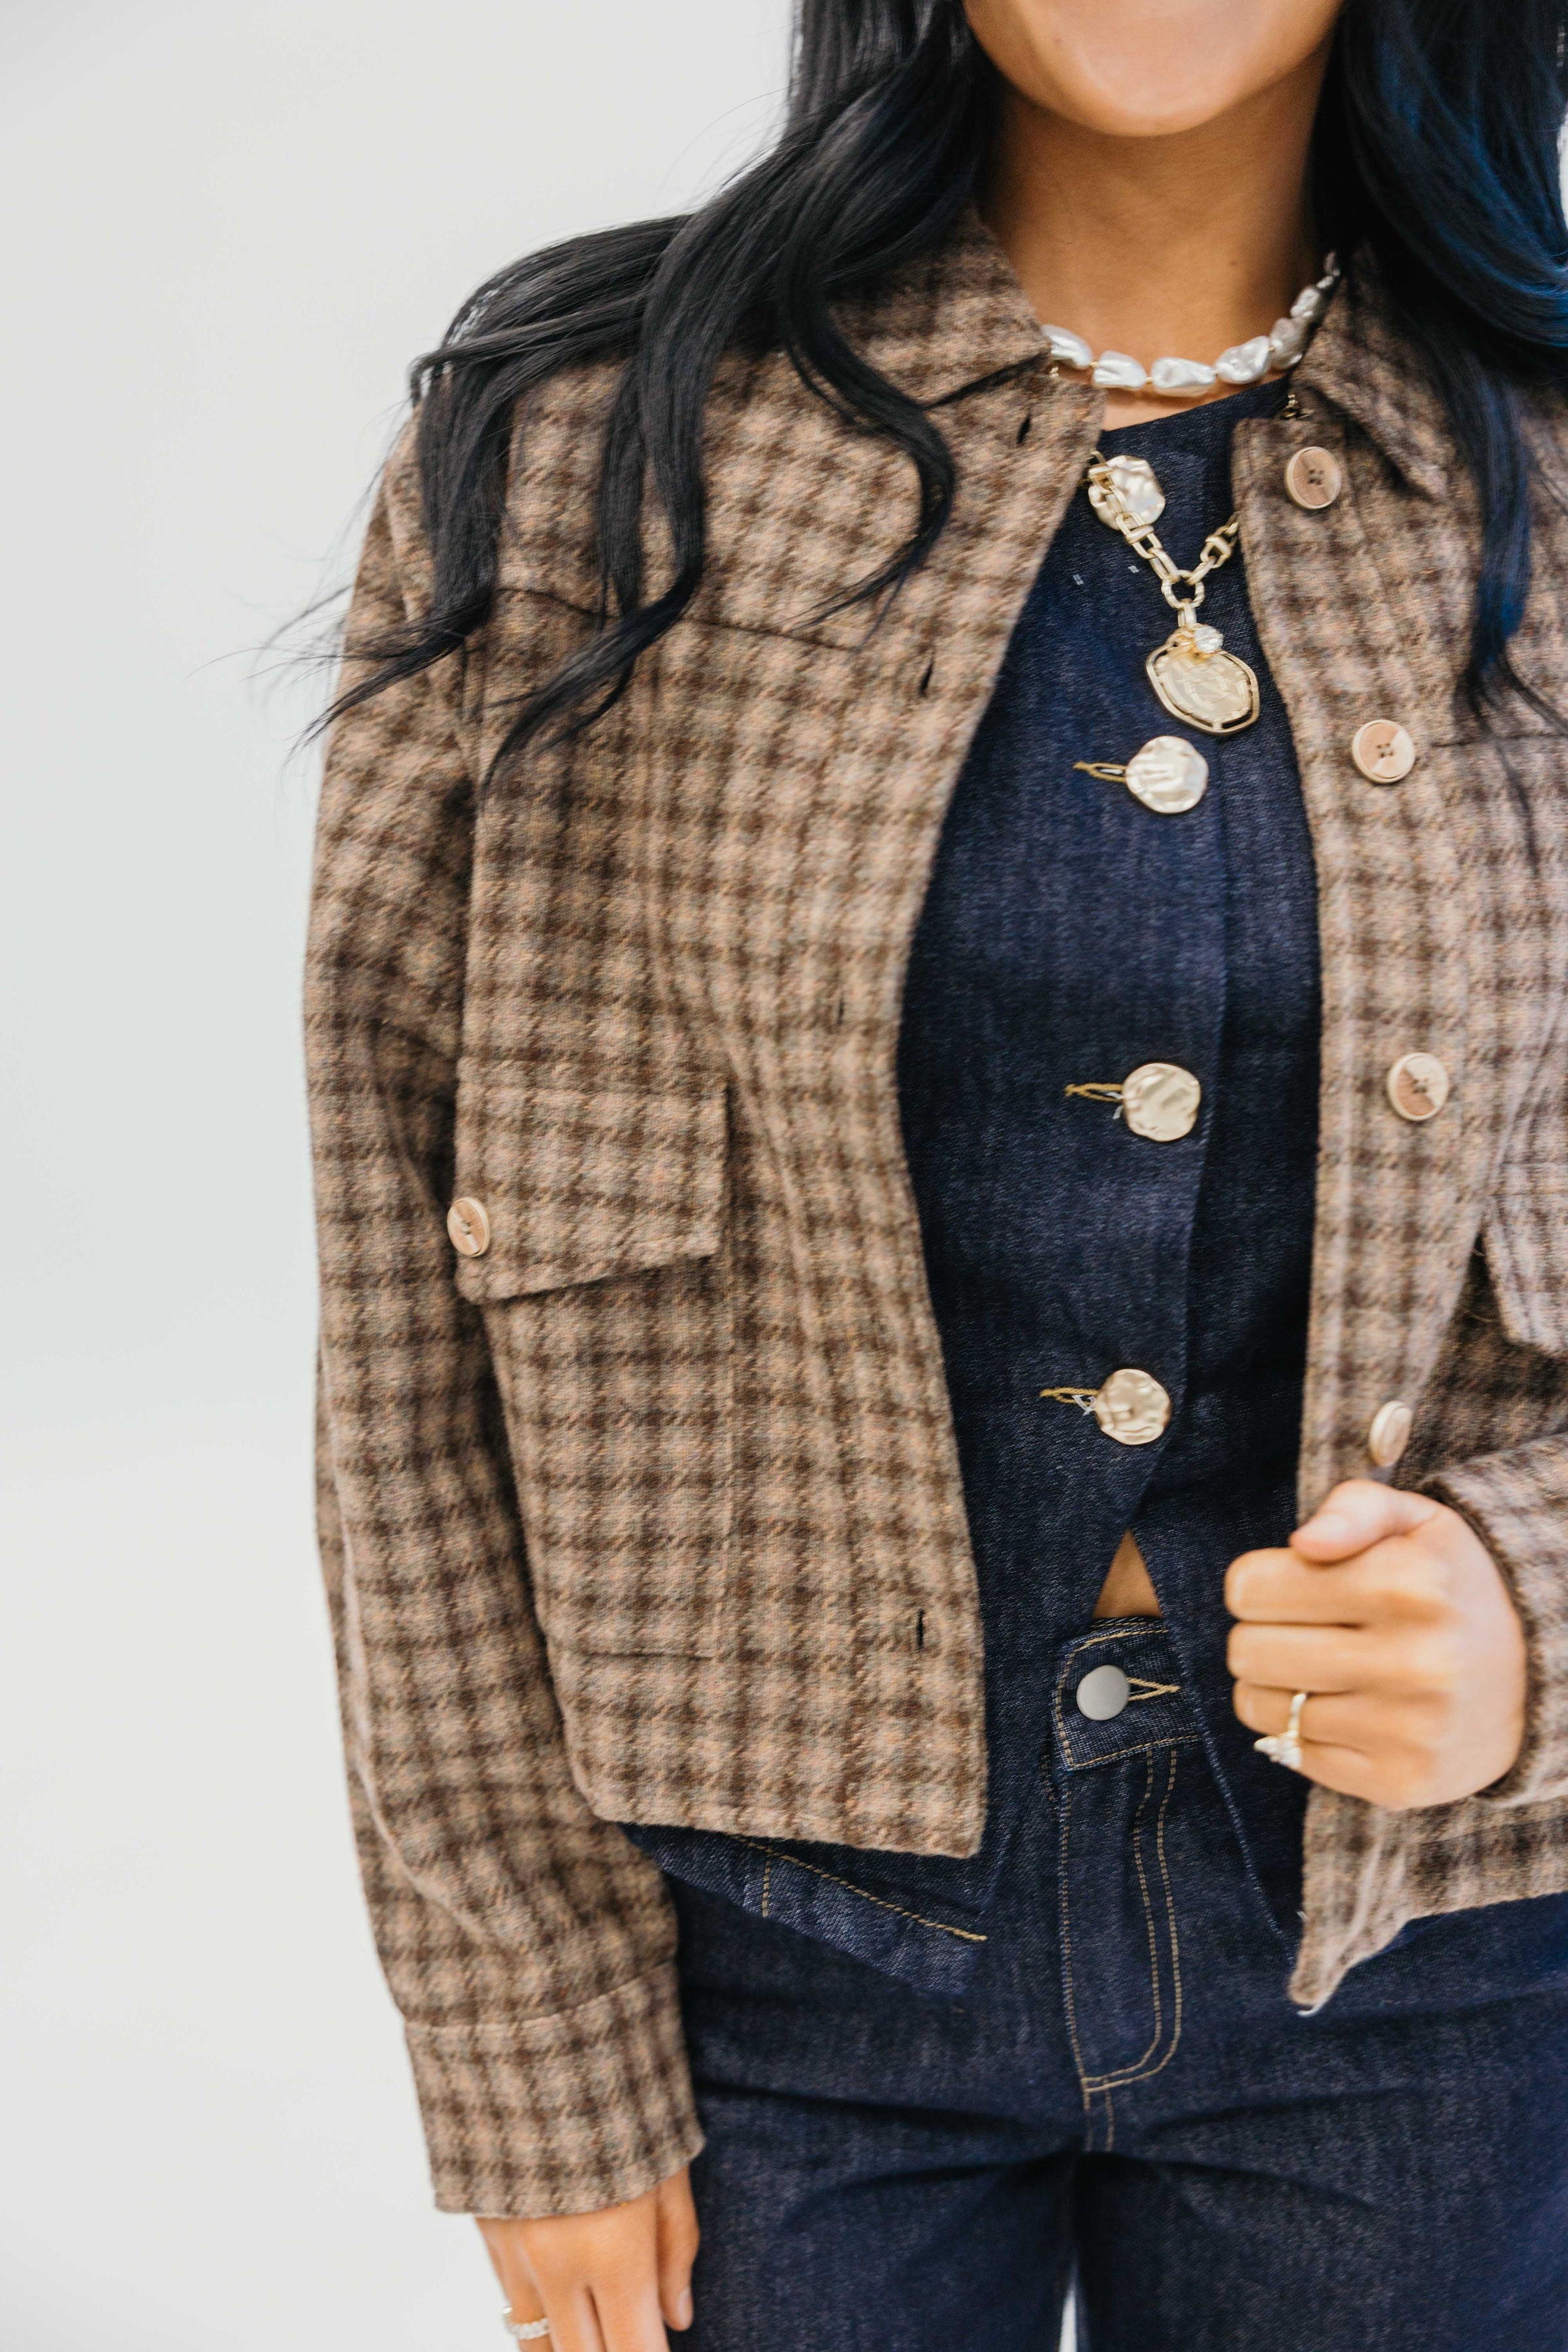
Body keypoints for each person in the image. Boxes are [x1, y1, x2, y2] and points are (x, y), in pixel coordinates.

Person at [304, 3, 1568, 2344]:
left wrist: (1541, 1612)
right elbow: (404, 1306)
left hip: (1447, 1960)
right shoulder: (583, 455)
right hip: (753, 1966)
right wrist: (528, 2042)